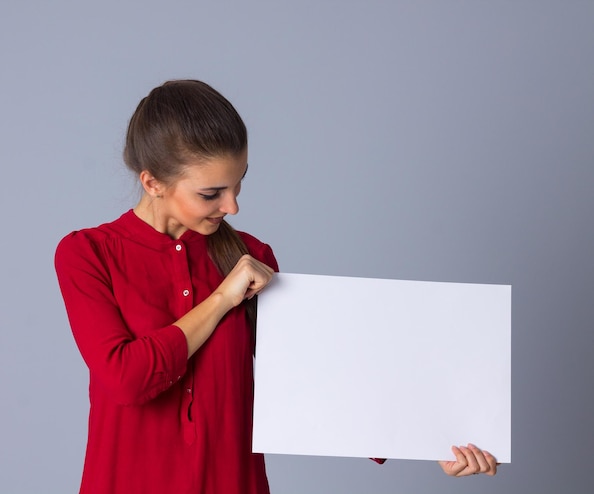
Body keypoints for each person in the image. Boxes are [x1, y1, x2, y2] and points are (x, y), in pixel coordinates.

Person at [55, 80, 497, 494]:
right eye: (212, 194)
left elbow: (312, 377)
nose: (233, 205)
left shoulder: (250, 256)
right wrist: (224, 298)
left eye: (239, 183)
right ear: (152, 182)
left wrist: (434, 439)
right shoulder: (88, 254)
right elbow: (126, 379)